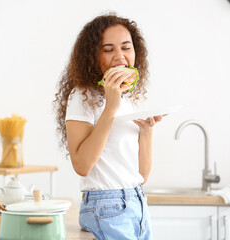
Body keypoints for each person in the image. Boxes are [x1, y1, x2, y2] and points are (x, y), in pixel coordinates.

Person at [54, 13, 163, 240]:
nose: (120, 57)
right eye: (108, 49)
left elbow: (141, 175)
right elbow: (82, 165)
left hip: (137, 203)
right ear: (92, 56)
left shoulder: (129, 99)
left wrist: (146, 131)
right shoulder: (82, 96)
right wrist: (110, 108)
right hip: (106, 207)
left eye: (126, 47)